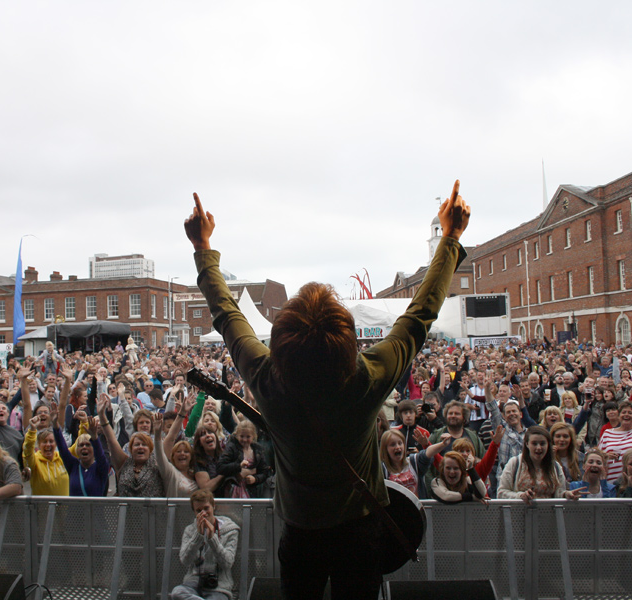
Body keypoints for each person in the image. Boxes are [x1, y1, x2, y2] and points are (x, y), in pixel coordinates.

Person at [185, 179, 471, 599]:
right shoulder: (368, 379)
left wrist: (203, 247)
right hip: (360, 531)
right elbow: (420, 314)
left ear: (279, 344)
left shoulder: (266, 378)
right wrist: (450, 238)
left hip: (300, 533)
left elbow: (226, 312)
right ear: (349, 341)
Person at [170, 489, 240, 600]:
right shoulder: (189, 530)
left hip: (218, 585)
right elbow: (185, 560)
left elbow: (227, 563)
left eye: (206, 508)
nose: (203, 513)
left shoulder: (230, 530)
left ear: (213, 506)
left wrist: (213, 538)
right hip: (193, 583)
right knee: (176, 593)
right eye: (199, 510)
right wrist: (198, 536)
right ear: (194, 512)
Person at [98, 395, 165, 497]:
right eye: (137, 444)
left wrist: (158, 432)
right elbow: (111, 440)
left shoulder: (158, 463)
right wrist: (102, 416)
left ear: (151, 448)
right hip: (127, 511)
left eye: (144, 445)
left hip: (151, 511)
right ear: (130, 448)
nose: (140, 447)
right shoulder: (124, 462)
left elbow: (166, 441)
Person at [497, 426, 584, 502]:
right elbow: (501, 493)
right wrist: (520, 496)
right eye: (534, 443)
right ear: (527, 444)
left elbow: (558, 492)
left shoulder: (555, 466)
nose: (538, 448)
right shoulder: (514, 463)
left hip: (547, 517)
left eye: (542, 444)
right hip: (519, 516)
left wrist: (565, 494)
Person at [380, 428, 451, 499]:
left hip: (418, 508)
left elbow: (428, 452)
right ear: (385, 448)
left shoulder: (414, 461)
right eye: (393, 445)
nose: (398, 447)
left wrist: (443, 444)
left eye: (400, 443)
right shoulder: (382, 469)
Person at [216, 420, 270, 498]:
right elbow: (220, 467)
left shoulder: (258, 450)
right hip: (233, 488)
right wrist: (238, 466)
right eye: (242, 436)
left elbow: (264, 472)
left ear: (253, 436)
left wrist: (255, 479)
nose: (244, 440)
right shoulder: (232, 447)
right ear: (237, 435)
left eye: (248, 437)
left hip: (252, 491)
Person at [23, 411, 70, 496]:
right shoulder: (35, 461)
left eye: (51, 441)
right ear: (39, 445)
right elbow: (27, 451)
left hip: (64, 508)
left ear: (56, 444)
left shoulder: (63, 457)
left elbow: (79, 446)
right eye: (44, 442)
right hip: (42, 508)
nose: (48, 444)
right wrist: (32, 430)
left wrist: (83, 423)